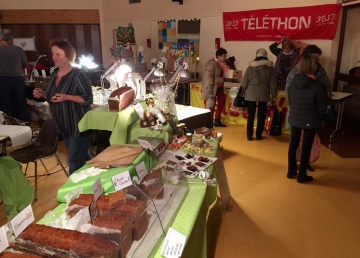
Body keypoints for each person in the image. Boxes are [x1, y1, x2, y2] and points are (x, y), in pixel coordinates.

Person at [33, 38, 93, 175]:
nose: (54, 57)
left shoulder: (78, 75)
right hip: (62, 125)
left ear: (68, 55)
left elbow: (87, 99)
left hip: (78, 124)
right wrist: (43, 93)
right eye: (53, 54)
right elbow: (54, 95)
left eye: (58, 54)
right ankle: (99, 176)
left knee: (74, 160)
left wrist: (67, 97)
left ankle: (74, 194)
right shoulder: (55, 73)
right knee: (82, 156)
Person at [285, 44, 332, 172]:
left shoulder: (320, 71)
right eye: (315, 58)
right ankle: (294, 166)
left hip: (305, 114)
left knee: (305, 143)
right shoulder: (295, 73)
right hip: (303, 113)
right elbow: (288, 93)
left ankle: (301, 165)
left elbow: (327, 87)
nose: (317, 62)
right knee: (296, 142)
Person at [241, 48, 278, 141]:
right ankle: (258, 135)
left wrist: (242, 89)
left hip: (251, 93)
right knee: (261, 115)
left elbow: (244, 82)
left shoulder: (250, 68)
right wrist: (274, 95)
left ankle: (249, 135)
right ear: (266, 57)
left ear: (256, 56)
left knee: (251, 115)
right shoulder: (271, 69)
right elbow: (274, 84)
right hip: (264, 93)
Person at [0, 29, 29, 121]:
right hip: (18, 79)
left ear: (1, 38)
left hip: (2, 80)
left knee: (5, 104)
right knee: (20, 103)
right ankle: (24, 124)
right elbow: (26, 65)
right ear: (12, 38)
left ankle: (9, 125)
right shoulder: (19, 50)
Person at [201, 47, 229, 127]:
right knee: (211, 105)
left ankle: (217, 120)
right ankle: (209, 122)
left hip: (219, 87)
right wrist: (222, 79)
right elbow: (209, 78)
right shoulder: (211, 64)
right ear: (218, 56)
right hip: (212, 87)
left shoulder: (223, 64)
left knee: (222, 102)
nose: (225, 58)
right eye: (224, 56)